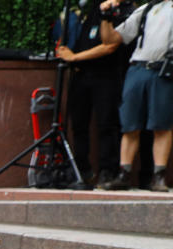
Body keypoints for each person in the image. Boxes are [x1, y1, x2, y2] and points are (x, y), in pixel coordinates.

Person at [99, 0, 173, 191]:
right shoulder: (147, 8)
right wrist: (106, 17)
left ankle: (158, 176)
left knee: (162, 125)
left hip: (164, 70)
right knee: (129, 125)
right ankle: (124, 174)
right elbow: (112, 39)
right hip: (138, 68)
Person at [56, 2, 128, 188]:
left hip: (106, 75)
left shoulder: (124, 11)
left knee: (107, 125)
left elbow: (110, 45)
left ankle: (107, 171)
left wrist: (75, 57)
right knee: (78, 125)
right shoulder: (91, 10)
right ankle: (82, 170)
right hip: (81, 76)